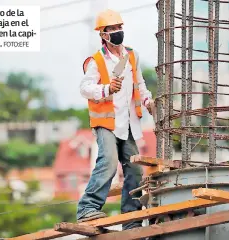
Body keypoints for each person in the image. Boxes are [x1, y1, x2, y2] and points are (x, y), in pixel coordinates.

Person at [76, 9, 155, 230]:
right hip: (106, 122)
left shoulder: (131, 56)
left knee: (134, 170)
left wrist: (148, 101)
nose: (117, 32)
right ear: (103, 35)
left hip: (128, 123)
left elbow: (140, 84)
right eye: (112, 29)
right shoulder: (96, 61)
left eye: (119, 28)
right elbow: (84, 88)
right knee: (109, 162)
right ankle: (87, 208)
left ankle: (131, 220)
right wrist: (106, 89)